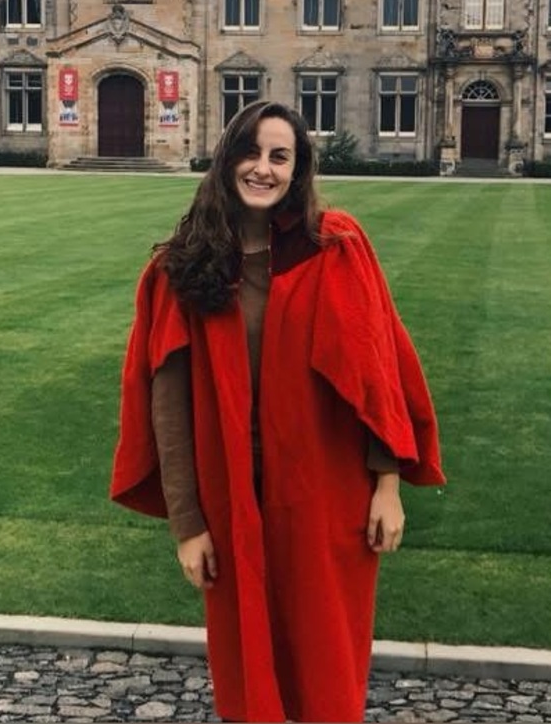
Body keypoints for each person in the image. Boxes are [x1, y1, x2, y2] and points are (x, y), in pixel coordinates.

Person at [110, 100, 445, 723]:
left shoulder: (335, 247)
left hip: (328, 490)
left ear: (299, 168)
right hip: (232, 491)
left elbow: (378, 370)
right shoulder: (181, 268)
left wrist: (388, 485)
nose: (262, 168)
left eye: (279, 156)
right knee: (247, 661)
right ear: (227, 157)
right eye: (251, 152)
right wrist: (187, 523)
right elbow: (169, 410)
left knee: (326, 656)